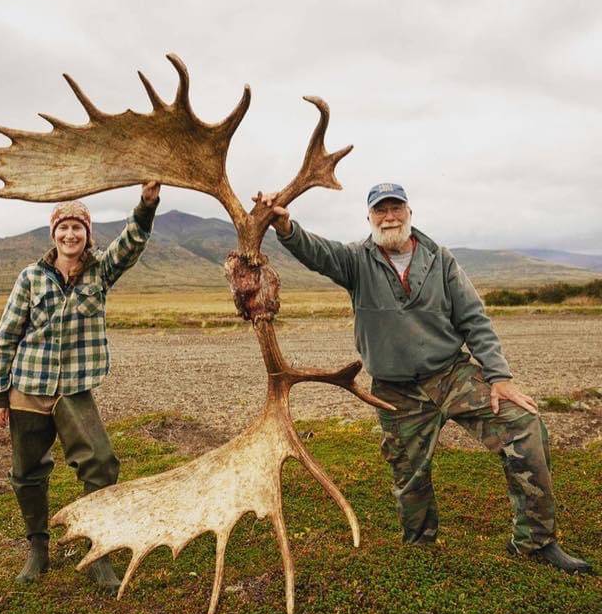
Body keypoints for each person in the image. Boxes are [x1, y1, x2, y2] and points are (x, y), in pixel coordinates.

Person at [254, 182, 593, 574]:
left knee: (524, 424)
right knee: (408, 475)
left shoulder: (440, 259)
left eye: (396, 208)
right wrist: (286, 228)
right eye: (380, 210)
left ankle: (536, 541)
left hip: (451, 375)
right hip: (397, 391)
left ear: (409, 213)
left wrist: (498, 376)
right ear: (369, 218)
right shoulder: (356, 261)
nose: (389, 216)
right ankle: (420, 548)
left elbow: (473, 320)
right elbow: (317, 253)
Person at [0, 182, 161, 588]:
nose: (70, 235)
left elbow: (132, 241)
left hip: (74, 388)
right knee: (27, 471)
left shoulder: (101, 270)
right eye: (63, 228)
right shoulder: (31, 278)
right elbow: (6, 336)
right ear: (54, 234)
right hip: (28, 386)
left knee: (100, 462)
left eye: (77, 229)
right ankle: (38, 549)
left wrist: (147, 203)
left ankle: (96, 550)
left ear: (87, 235)